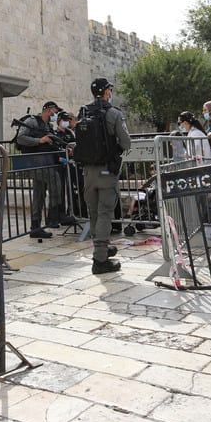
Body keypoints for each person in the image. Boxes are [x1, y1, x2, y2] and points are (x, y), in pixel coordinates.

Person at [78, 77, 131, 274]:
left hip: (87, 172)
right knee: (105, 214)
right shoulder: (113, 113)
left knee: (94, 213)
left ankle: (101, 249)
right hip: (106, 171)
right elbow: (126, 143)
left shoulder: (83, 111)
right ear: (107, 92)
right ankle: (100, 260)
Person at [14, 100, 67, 238]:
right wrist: (39, 141)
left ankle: (35, 227)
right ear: (49, 110)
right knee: (55, 180)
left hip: (44, 163)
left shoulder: (47, 126)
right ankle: (54, 217)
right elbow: (20, 138)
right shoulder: (32, 122)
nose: (56, 114)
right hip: (33, 163)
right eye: (55, 111)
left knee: (39, 195)